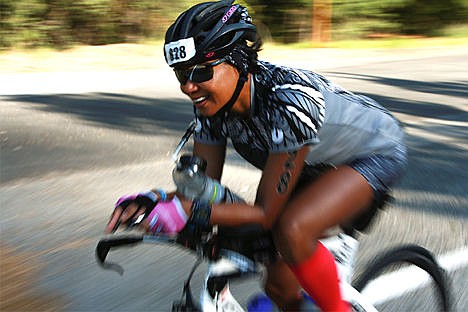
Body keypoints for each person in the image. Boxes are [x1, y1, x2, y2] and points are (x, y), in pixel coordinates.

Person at [105, 1, 407, 311]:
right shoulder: (210, 105)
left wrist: (186, 213)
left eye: (200, 71)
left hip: (372, 153)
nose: (188, 86)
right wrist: (154, 200)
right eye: (181, 74)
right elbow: (203, 186)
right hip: (314, 164)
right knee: (278, 284)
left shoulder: (289, 102)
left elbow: (265, 213)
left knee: (292, 229)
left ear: (237, 60)